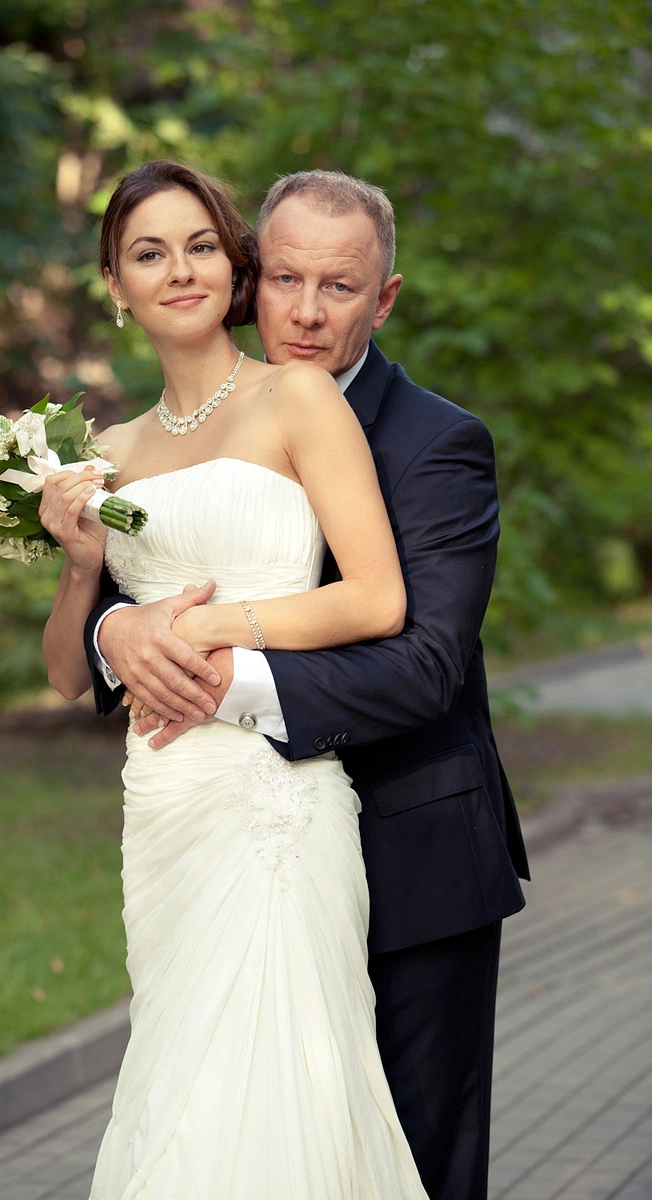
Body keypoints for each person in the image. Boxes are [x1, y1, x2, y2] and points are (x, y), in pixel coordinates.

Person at [85, 169, 530, 1200]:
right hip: (218, 845)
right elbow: (125, 590)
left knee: (406, 1160)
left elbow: (424, 665)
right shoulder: (181, 430)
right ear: (253, 277)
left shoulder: (436, 442)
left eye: (340, 287)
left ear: (385, 298)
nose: (306, 311)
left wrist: (216, 671)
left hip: (412, 855)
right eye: (285, 278)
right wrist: (116, 626)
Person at [40, 160, 428, 1199]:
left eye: (200, 245)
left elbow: (376, 600)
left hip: (274, 801)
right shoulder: (109, 453)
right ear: (115, 287)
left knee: (277, 1093)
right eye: (148, 254)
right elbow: (68, 674)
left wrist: (205, 626)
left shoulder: (296, 395)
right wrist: (86, 574)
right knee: (177, 1088)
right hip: (164, 803)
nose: (179, 271)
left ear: (234, 266)